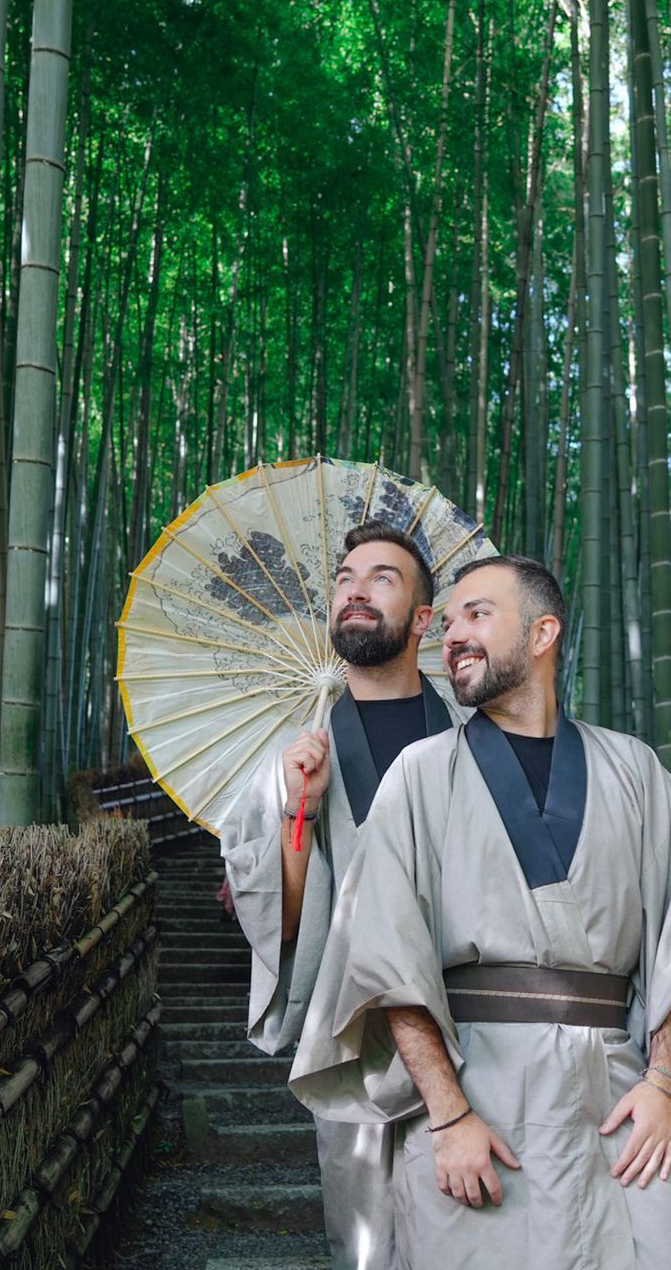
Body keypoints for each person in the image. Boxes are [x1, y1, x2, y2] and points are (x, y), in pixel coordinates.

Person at [288, 556, 671, 1270]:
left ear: (543, 631)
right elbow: (387, 959)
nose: (454, 633)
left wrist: (664, 1083)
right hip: (473, 1096)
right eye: (448, 620)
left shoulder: (632, 769)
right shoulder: (420, 777)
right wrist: (449, 1115)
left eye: (478, 614)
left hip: (612, 1097)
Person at [220, 519, 466, 1270]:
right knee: (366, 1247)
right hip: (354, 1037)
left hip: (470, 1025)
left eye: (382, 577)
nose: (355, 589)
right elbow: (286, 928)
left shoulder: (472, 735)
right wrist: (300, 809)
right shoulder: (298, 754)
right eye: (345, 577)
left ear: (424, 619)